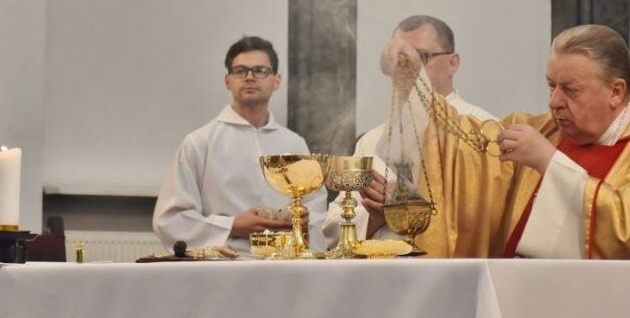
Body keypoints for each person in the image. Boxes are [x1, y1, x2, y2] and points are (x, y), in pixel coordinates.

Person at [379, 24, 630, 259]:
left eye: (570, 89)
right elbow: (464, 148)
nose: (554, 101)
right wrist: (412, 80)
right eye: (551, 86)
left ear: (616, 91)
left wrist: (550, 163)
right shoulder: (542, 131)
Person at [321, 15, 497, 246]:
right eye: (399, 59)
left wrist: (406, 204)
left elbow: (490, 220)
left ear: (453, 63)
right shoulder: (372, 140)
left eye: (421, 57)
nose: (407, 68)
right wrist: (375, 218)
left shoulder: (482, 130)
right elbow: (333, 228)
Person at [152, 36, 327, 254]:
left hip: (286, 260)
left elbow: (317, 210)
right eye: (240, 71)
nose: (250, 77)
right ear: (228, 80)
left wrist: (301, 221)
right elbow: (170, 219)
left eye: (260, 71)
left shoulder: (294, 144)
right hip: (226, 263)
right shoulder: (200, 143)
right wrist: (232, 226)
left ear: (276, 80)